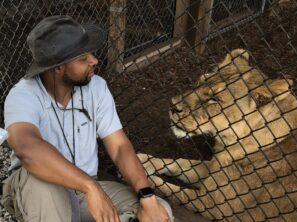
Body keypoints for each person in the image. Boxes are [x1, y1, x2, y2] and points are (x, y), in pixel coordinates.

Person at [1, 15, 174, 222]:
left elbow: (119, 146)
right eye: (83, 58)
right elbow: (27, 148)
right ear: (58, 67)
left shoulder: (97, 87)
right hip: (37, 184)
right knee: (42, 186)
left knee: (159, 211)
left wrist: (146, 196)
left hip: (84, 188)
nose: (94, 60)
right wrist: (90, 187)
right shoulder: (23, 95)